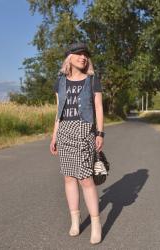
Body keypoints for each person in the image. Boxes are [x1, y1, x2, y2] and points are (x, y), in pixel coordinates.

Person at [50, 42, 104, 245]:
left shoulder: (92, 80)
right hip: (64, 131)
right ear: (69, 58)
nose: (83, 57)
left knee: (86, 179)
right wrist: (54, 135)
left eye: (85, 55)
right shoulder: (60, 81)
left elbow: (98, 108)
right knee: (68, 177)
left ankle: (96, 224)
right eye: (79, 54)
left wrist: (100, 133)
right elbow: (59, 111)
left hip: (84, 131)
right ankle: (75, 219)